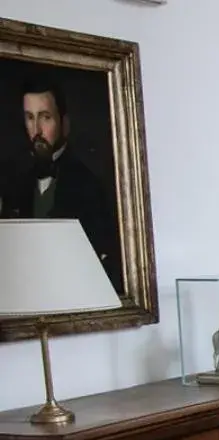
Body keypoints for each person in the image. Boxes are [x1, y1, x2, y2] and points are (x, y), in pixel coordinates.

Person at [0, 77, 122, 294]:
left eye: (45, 117)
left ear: (64, 124)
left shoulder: (88, 185)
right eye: (30, 118)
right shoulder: (15, 184)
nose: (36, 129)